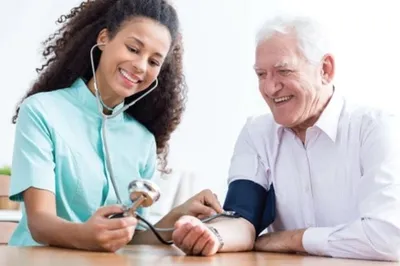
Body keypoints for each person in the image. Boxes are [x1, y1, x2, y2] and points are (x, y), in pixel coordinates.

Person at [172, 15, 400, 261]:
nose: (270, 88)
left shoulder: (377, 129)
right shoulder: (256, 133)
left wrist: (293, 239)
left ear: (325, 70)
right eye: (261, 74)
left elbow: (390, 237)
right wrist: (212, 234)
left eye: (284, 71)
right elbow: (242, 218)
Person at [8, 0, 223, 252]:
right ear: (104, 38)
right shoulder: (41, 111)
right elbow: (39, 223)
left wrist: (179, 215)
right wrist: (86, 235)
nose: (141, 66)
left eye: (154, 62)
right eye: (133, 48)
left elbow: (132, 239)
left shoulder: (142, 140)